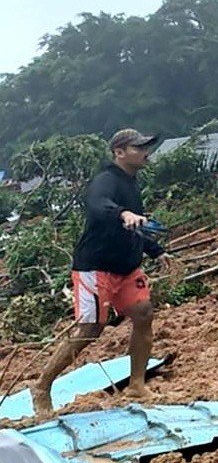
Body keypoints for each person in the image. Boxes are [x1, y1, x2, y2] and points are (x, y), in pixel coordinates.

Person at [31, 129, 172, 417]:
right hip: (96, 267)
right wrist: (123, 213)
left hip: (126, 267)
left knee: (144, 313)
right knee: (91, 329)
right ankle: (42, 386)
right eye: (139, 147)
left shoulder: (132, 183)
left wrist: (156, 250)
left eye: (147, 146)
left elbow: (134, 227)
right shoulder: (106, 180)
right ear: (119, 152)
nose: (147, 151)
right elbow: (98, 206)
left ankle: (136, 384)